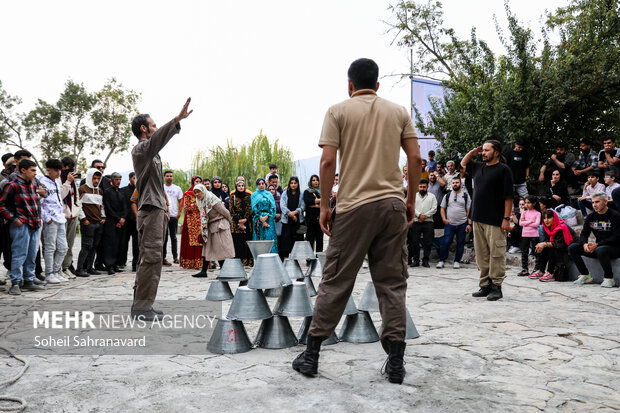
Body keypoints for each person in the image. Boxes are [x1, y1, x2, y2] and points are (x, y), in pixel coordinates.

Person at [292, 58, 421, 385]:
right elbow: (416, 158)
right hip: (392, 206)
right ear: (377, 85)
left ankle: (311, 356)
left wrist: (323, 207)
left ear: (349, 85)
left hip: (353, 207)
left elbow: (327, 161)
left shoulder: (338, 111)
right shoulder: (398, 112)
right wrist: (409, 200)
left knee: (336, 280)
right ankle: (395, 364)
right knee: (392, 283)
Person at [130, 99, 192, 320]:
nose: (156, 128)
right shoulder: (141, 149)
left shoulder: (150, 152)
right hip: (151, 209)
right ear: (144, 129)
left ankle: (142, 305)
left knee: (151, 258)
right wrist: (176, 120)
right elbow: (157, 139)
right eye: (153, 125)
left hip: (156, 208)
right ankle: (141, 308)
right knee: (152, 258)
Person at [461, 140, 514, 301]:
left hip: (496, 219)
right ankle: (484, 285)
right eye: (482, 150)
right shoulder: (477, 167)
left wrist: (506, 219)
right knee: (482, 254)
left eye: (486, 150)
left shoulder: (504, 170)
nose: (483, 153)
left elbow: (508, 197)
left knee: (496, 254)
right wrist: (472, 152)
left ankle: (496, 286)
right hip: (478, 218)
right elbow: (463, 164)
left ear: (496, 152)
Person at [0, 159, 45, 294]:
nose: (35, 173)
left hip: (34, 224)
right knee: (19, 254)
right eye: (32, 170)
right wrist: (13, 219)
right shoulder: (12, 185)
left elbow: (41, 197)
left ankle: (28, 280)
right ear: (23, 170)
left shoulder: (33, 184)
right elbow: (2, 205)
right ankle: (15, 282)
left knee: (32, 254)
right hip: (21, 224)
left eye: (35, 170)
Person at [569, 192, 620, 288]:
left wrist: (597, 245)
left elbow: (616, 237)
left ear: (605, 202)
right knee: (573, 247)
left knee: (601, 249)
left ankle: (609, 278)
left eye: (597, 202)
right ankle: (585, 275)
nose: (594, 205)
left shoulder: (615, 216)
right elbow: (584, 234)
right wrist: (584, 244)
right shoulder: (591, 217)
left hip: (615, 248)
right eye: (593, 202)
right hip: (599, 247)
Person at [191, 184, 235, 277]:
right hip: (209, 225)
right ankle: (203, 271)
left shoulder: (212, 199)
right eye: (195, 192)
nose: (197, 194)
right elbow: (203, 216)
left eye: (199, 191)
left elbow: (225, 212)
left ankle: (224, 272)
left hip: (220, 225)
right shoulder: (201, 202)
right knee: (207, 248)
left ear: (203, 191)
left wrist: (229, 223)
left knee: (220, 249)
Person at [38, 159, 70, 284]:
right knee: (50, 247)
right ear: (48, 170)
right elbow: (40, 202)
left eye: (59, 170)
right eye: (56, 170)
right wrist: (47, 217)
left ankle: (56, 271)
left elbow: (59, 199)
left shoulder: (57, 182)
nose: (58, 173)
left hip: (60, 218)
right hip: (50, 218)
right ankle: (49, 273)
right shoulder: (41, 181)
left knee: (63, 247)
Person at [74, 168, 106, 277]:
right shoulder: (82, 189)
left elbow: (101, 206)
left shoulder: (100, 191)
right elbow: (78, 205)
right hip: (88, 223)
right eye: (94, 178)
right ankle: (79, 268)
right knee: (86, 246)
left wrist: (103, 217)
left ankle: (89, 267)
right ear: (89, 178)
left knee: (94, 246)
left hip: (98, 223)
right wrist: (83, 219)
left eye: (98, 178)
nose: (96, 181)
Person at [437, 178, 471, 269]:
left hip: (462, 223)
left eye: (457, 182)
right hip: (449, 224)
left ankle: (456, 261)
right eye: (453, 183)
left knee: (460, 243)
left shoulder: (465, 195)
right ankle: (441, 260)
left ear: (460, 183)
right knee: (446, 242)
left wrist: (469, 223)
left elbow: (469, 210)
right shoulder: (447, 195)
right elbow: (442, 208)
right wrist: (444, 219)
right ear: (451, 184)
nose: (455, 184)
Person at [533, 210, 576, 282]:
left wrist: (544, 244)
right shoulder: (546, 228)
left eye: (549, 218)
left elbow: (560, 244)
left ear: (554, 218)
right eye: (544, 218)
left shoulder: (562, 227)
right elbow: (546, 241)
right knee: (544, 247)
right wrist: (542, 245)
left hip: (568, 249)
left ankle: (550, 272)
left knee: (550, 248)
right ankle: (541, 271)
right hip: (557, 248)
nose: (546, 220)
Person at [102, 172, 127, 275]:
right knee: (110, 244)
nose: (118, 182)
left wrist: (123, 218)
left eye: (119, 179)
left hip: (121, 221)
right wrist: (117, 219)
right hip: (111, 221)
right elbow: (108, 208)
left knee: (119, 243)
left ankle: (116, 263)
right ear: (111, 180)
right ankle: (110, 265)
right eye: (116, 179)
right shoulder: (107, 192)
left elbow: (126, 206)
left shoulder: (122, 192)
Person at [60, 157, 81, 278]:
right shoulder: (59, 180)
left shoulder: (74, 183)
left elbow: (76, 197)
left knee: (70, 243)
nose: (69, 170)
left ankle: (66, 266)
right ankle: (58, 268)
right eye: (66, 167)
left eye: (71, 168)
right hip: (62, 215)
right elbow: (61, 196)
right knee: (60, 244)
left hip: (73, 215)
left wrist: (77, 211)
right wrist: (67, 182)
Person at [409, 179, 437, 268]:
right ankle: (416, 260)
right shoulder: (414, 196)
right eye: (420, 187)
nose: (422, 188)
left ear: (427, 187)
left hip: (428, 222)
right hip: (416, 222)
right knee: (414, 242)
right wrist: (419, 215)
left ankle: (425, 260)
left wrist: (425, 216)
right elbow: (411, 207)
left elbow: (434, 208)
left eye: (424, 187)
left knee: (427, 242)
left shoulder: (432, 196)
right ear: (418, 187)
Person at [179, 176, 204, 269]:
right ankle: (190, 263)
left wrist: (195, 205)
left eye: (200, 181)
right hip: (190, 220)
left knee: (201, 239)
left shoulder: (204, 193)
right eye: (196, 181)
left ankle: (201, 262)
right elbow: (187, 207)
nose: (198, 183)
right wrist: (197, 205)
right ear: (193, 183)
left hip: (201, 219)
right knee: (191, 241)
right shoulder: (188, 194)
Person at [229, 178, 254, 266]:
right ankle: (238, 261)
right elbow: (231, 210)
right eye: (239, 186)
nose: (241, 187)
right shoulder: (233, 197)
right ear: (236, 187)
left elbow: (249, 209)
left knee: (246, 241)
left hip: (247, 222)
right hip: (236, 223)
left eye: (242, 186)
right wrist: (239, 221)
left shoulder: (248, 197)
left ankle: (247, 261)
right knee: (237, 242)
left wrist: (245, 219)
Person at [279, 176, 305, 258]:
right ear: (289, 184)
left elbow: (303, 206)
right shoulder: (284, 193)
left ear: (298, 184)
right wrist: (290, 213)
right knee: (286, 239)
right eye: (291, 183)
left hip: (298, 220)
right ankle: (286, 257)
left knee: (296, 238)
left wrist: (295, 212)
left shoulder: (301, 194)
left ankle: (295, 257)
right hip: (286, 220)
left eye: (295, 183)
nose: (293, 185)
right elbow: (282, 205)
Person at [251, 178, 278, 253]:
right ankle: (259, 259)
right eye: (259, 184)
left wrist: (267, 217)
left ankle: (272, 258)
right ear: (257, 185)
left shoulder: (269, 194)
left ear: (265, 184)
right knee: (259, 239)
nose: (261, 185)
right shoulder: (254, 195)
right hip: (258, 220)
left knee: (269, 238)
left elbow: (272, 207)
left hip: (269, 219)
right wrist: (260, 218)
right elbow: (254, 208)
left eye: (263, 183)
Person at [119, 172, 139, 272]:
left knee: (137, 243)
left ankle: (135, 264)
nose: (135, 180)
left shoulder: (141, 190)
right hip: (126, 221)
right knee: (123, 242)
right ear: (130, 178)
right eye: (134, 178)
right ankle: (121, 262)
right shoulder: (123, 191)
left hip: (137, 220)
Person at [517, 196, 541, 277]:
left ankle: (537, 268)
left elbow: (536, 224)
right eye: (526, 203)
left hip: (534, 234)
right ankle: (525, 269)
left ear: (534, 203)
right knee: (524, 252)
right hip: (525, 234)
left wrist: (526, 222)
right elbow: (520, 223)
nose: (526, 204)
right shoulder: (524, 213)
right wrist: (530, 221)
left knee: (536, 252)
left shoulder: (538, 213)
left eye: (528, 203)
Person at [163, 170, 183, 265]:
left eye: (171, 176)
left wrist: (179, 213)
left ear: (173, 177)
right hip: (163, 216)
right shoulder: (161, 188)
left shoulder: (177, 188)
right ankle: (163, 257)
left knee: (174, 237)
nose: (169, 177)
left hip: (174, 216)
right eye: (167, 176)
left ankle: (175, 257)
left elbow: (180, 201)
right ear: (164, 177)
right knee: (164, 237)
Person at [303, 174, 323, 253]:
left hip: (320, 219)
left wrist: (314, 204)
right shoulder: (307, 191)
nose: (315, 182)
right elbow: (308, 201)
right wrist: (319, 201)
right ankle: (309, 258)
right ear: (310, 182)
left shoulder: (321, 191)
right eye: (313, 180)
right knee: (310, 239)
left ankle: (318, 258)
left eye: (317, 180)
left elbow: (326, 202)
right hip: (310, 220)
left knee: (320, 240)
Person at [268, 183, 284, 250]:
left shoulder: (279, 199)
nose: (271, 191)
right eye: (269, 189)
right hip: (269, 221)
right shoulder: (266, 199)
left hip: (279, 222)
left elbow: (282, 208)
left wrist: (280, 214)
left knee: (280, 238)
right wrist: (274, 215)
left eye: (273, 189)